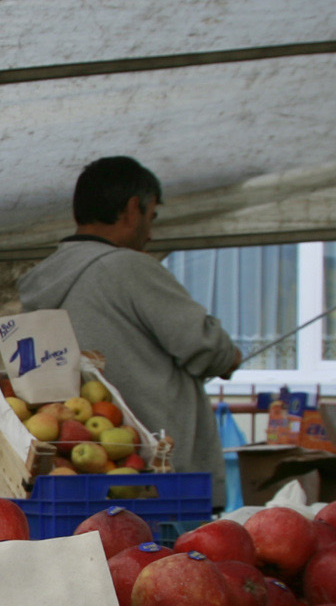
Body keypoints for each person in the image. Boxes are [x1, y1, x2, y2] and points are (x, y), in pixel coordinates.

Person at [16, 157, 243, 506]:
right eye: (152, 217)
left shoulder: (41, 282)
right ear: (134, 208)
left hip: (78, 472)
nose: (150, 234)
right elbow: (204, 346)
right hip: (156, 478)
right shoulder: (128, 267)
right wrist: (230, 357)